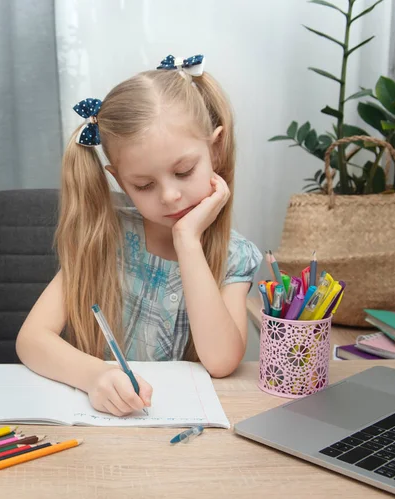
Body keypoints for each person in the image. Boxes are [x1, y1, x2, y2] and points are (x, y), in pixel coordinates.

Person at [16, 54, 262, 417]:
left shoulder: (235, 255)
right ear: (119, 180)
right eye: (144, 185)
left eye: (184, 171)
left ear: (216, 148)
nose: (169, 196)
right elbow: (32, 340)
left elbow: (221, 361)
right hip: (106, 427)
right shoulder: (108, 238)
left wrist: (188, 242)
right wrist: (95, 376)